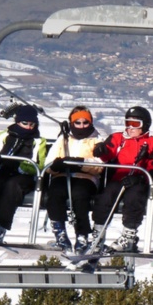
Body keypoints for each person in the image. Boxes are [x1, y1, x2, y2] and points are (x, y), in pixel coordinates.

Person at [90, 106, 153, 252]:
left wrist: (141, 177)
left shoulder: (152, 142)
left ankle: (128, 236)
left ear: (145, 125)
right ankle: (98, 235)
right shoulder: (118, 138)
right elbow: (109, 151)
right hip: (118, 178)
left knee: (134, 198)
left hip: (139, 181)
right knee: (105, 198)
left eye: (135, 124)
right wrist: (101, 150)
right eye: (127, 123)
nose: (130, 127)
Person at [45, 105, 103, 254]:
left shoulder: (97, 140)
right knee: (55, 193)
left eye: (85, 123)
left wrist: (81, 163)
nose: (82, 126)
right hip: (63, 175)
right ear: (72, 123)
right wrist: (56, 166)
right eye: (78, 123)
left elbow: (101, 164)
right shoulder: (63, 140)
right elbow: (49, 162)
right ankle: (60, 232)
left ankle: (82, 234)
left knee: (79, 195)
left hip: (86, 177)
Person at [0, 105, 47, 243]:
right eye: (25, 123)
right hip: (3, 170)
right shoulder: (4, 135)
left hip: (25, 176)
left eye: (32, 124)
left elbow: (39, 164)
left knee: (12, 186)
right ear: (17, 122)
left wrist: (21, 166)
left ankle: (0, 226)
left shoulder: (38, 141)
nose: (28, 127)